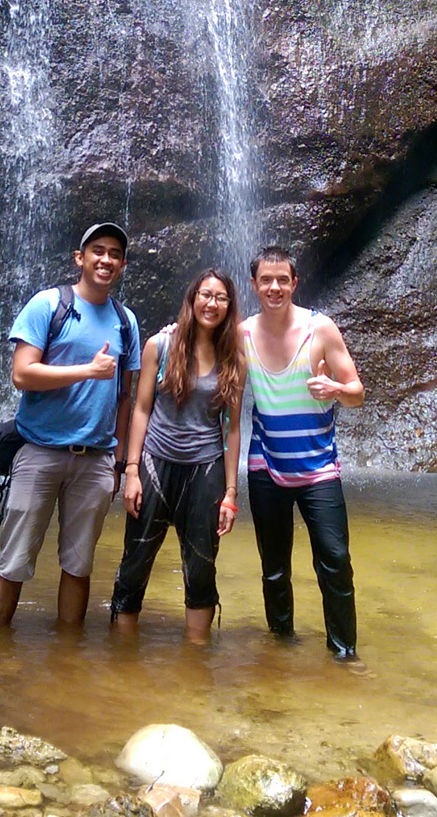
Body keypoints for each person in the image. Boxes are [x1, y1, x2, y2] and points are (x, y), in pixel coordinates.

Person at [0, 222, 141, 629]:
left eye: (115, 254)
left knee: (79, 564)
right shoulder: (47, 305)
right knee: (14, 561)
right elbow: (22, 374)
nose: (106, 259)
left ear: (122, 265)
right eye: (98, 251)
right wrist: (87, 370)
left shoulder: (127, 321)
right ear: (80, 257)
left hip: (95, 460)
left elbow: (126, 397)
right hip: (39, 452)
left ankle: (68, 662)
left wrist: (120, 461)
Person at [110, 269, 246, 643]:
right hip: (155, 462)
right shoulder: (160, 345)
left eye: (220, 297)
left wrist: (231, 494)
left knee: (201, 567)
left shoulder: (234, 357)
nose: (212, 303)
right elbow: (140, 409)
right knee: (136, 560)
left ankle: (197, 656)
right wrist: (132, 471)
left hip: (205, 470)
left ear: (229, 305)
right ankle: (120, 653)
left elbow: (232, 428)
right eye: (205, 294)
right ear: (192, 299)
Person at [242, 244, 364, 659]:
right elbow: (203, 346)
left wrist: (336, 390)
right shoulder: (242, 334)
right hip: (265, 466)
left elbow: (357, 394)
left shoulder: (321, 329)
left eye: (282, 280)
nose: (274, 287)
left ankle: (344, 653)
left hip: (318, 470)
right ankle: (281, 647)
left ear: (295, 283)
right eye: (266, 280)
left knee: (335, 559)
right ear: (255, 285)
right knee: (274, 568)